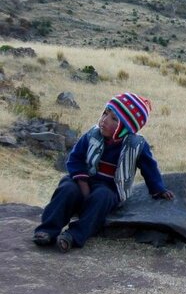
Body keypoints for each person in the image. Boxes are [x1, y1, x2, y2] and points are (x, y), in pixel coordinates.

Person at [33, 92, 173, 252]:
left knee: (102, 197)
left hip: (109, 188)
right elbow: (75, 159)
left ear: (125, 128)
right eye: (105, 113)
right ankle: (47, 230)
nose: (104, 120)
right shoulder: (92, 135)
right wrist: (82, 182)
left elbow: (150, 168)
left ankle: (73, 236)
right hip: (82, 181)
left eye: (114, 119)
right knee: (66, 187)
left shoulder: (136, 146)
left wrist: (159, 189)